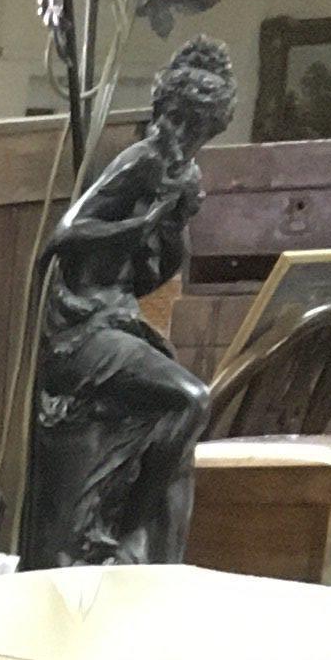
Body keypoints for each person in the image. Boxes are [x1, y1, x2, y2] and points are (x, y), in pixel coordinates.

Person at [26, 32, 236, 565]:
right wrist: (144, 216)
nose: (184, 134)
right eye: (180, 119)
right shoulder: (142, 159)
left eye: (198, 128)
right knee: (190, 399)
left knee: (184, 408)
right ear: (165, 110)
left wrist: (176, 224)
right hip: (82, 329)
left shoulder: (180, 170)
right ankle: (124, 531)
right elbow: (66, 236)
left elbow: (152, 276)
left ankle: (138, 535)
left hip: (119, 318)